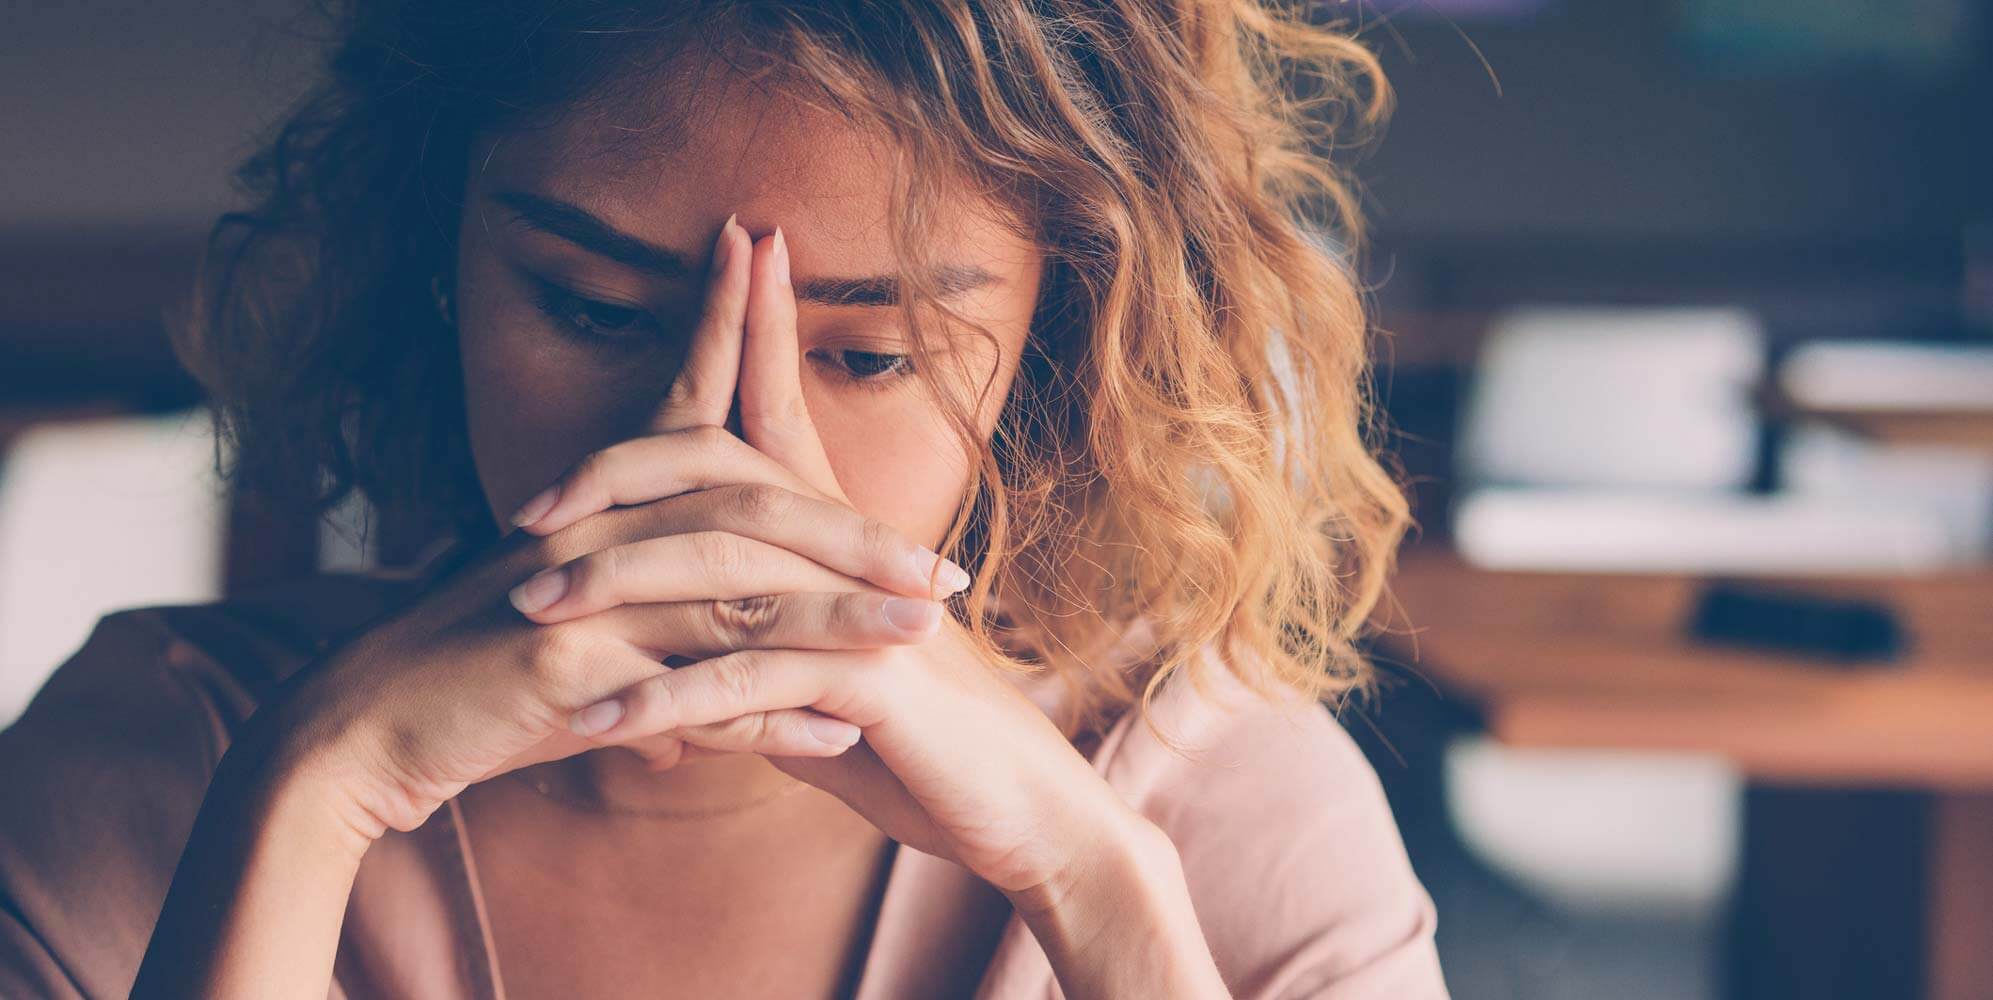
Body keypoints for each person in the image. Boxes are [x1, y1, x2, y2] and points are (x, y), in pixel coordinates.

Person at [0, 1, 1446, 997]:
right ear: (433, 263)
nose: (724, 453)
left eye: (870, 353)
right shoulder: (160, 769)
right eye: (591, 309)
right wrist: (311, 800)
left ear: (1057, 350)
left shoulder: (1217, 816)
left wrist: (1095, 890)